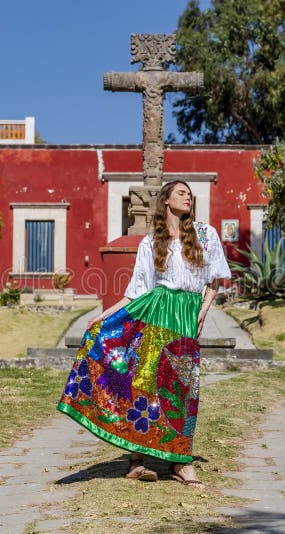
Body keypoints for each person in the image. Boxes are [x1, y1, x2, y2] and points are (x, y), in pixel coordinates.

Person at [57, 180, 231, 488]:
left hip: (186, 314)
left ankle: (180, 462)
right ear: (165, 200)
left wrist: (203, 311)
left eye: (189, 195)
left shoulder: (205, 234)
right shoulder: (151, 243)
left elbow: (215, 279)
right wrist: (102, 316)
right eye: (181, 193)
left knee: (182, 390)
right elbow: (136, 292)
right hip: (155, 311)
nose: (187, 198)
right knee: (144, 384)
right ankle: (136, 460)